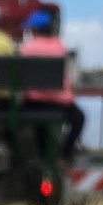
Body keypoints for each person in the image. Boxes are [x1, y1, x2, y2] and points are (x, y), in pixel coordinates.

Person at [18, 10, 84, 159]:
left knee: (36, 125)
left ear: (35, 30)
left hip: (33, 104)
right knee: (79, 117)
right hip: (59, 105)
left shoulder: (27, 48)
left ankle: (38, 154)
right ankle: (66, 152)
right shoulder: (60, 47)